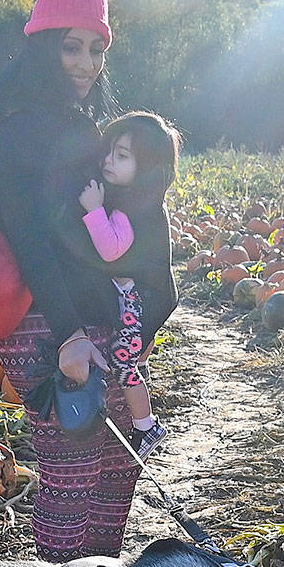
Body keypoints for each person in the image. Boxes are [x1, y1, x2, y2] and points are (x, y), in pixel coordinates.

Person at [0, 0, 177, 562]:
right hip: (47, 325)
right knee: (72, 475)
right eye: (72, 46)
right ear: (43, 44)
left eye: (97, 49)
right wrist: (71, 333)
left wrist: (138, 318)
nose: (86, 63)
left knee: (114, 470)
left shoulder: (70, 123)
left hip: (86, 321)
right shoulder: (20, 127)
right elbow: (30, 239)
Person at [75, 112, 181, 461]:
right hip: (135, 303)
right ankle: (141, 422)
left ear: (146, 167)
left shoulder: (132, 209)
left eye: (122, 156)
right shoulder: (142, 203)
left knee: (124, 367)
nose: (108, 160)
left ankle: (146, 426)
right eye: (109, 152)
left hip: (134, 305)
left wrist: (93, 210)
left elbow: (110, 249)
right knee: (126, 362)